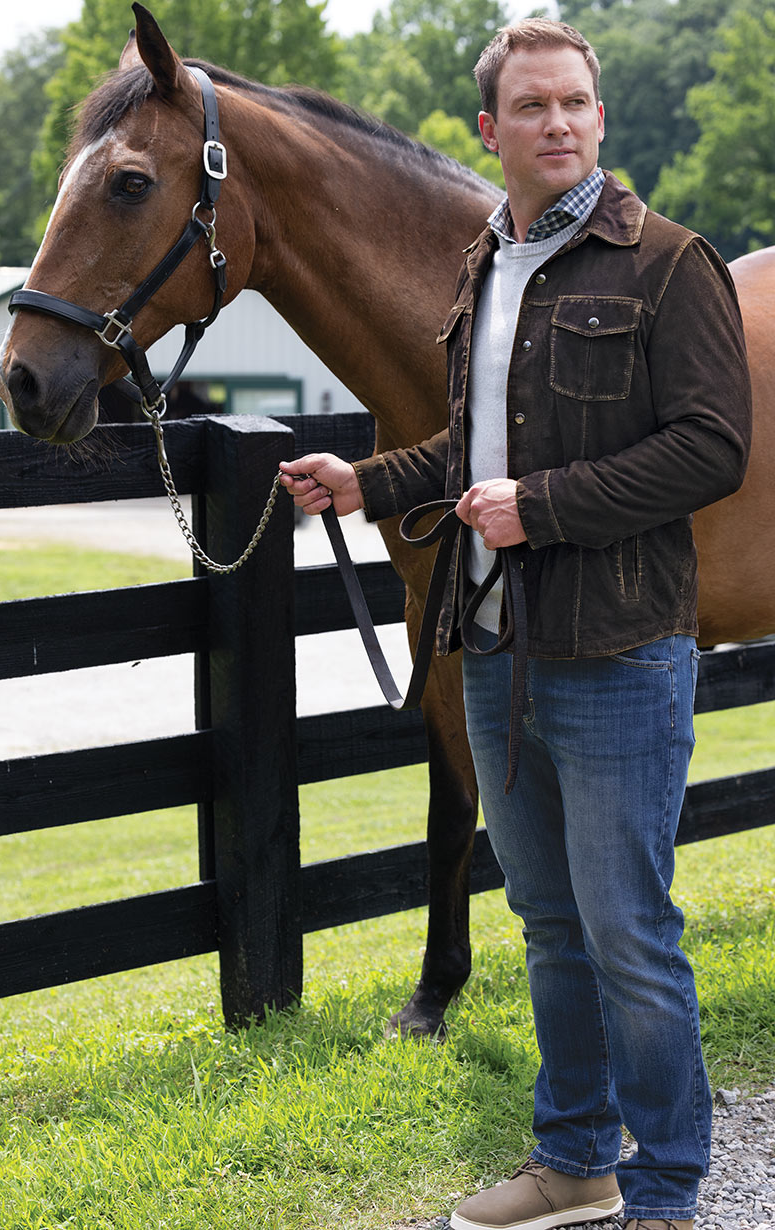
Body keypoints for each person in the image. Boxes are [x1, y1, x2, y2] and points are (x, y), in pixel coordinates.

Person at [280, 19, 752, 1230]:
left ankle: (663, 1191)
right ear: (490, 131)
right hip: (490, 648)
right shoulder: (484, 271)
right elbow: (471, 450)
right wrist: (367, 482)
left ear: (600, 118)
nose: (557, 123)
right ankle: (574, 1161)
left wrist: (536, 508)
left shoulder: (667, 264)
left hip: (613, 653)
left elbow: (709, 449)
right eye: (531, 107)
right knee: (545, 923)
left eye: (575, 104)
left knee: (628, 933)